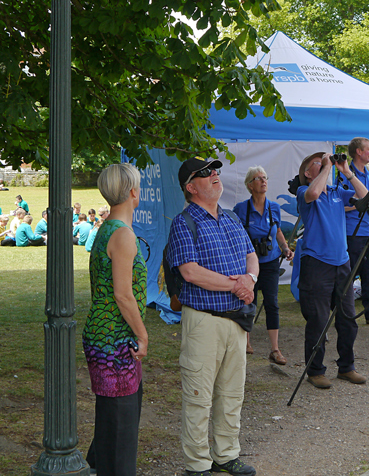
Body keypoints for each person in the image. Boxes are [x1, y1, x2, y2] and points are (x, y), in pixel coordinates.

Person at [167, 157, 258, 476]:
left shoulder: (232, 218)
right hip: (203, 320)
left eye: (215, 170)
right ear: (191, 187)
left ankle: (226, 454)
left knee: (232, 393)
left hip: (236, 320)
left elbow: (251, 256)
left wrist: (251, 280)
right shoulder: (183, 223)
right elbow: (190, 272)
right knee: (198, 395)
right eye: (205, 173)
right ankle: (197, 464)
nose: (214, 174)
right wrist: (238, 286)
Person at [83, 163, 148, 476]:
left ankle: (99, 465)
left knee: (117, 414)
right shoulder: (122, 236)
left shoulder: (107, 229)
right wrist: (143, 334)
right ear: (134, 193)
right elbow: (123, 295)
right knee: (121, 422)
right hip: (113, 340)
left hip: (106, 337)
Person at [297, 151, 369, 389]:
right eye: (317, 163)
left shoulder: (338, 193)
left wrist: (347, 172)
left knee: (348, 318)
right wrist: (328, 167)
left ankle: (346, 367)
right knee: (318, 319)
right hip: (316, 262)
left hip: (342, 262)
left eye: (324, 161)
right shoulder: (304, 192)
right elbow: (314, 192)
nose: (324, 164)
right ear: (308, 173)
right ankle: (315, 370)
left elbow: (365, 199)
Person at [233, 166, 294, 364]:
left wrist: (285, 248)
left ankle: (275, 349)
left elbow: (277, 232)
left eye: (265, 177)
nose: (263, 181)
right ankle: (246, 343)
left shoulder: (273, 207)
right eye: (258, 178)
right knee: (248, 301)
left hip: (269, 262)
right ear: (250, 185)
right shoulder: (241, 209)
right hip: (249, 263)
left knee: (272, 303)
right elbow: (236, 234)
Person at [338, 137, 369, 329]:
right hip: (353, 233)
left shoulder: (366, 173)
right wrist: (361, 205)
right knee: (349, 275)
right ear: (358, 152)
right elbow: (340, 206)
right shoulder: (344, 175)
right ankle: (344, 311)